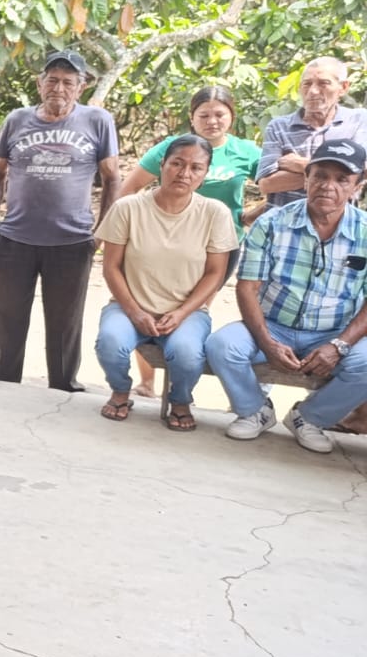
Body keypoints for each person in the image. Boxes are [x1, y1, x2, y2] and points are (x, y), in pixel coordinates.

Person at [206, 138, 367, 454]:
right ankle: (255, 410)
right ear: (306, 178)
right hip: (273, 325)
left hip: (334, 332)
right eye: (320, 175)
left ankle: (309, 418)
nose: (328, 186)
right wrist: (267, 342)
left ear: (357, 186)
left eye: (341, 179)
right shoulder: (271, 222)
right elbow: (247, 287)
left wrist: (339, 345)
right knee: (221, 345)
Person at [0, 49, 121, 391]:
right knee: (8, 318)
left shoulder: (97, 121)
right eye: (52, 80)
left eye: (67, 82)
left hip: (71, 241)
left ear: (81, 87)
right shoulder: (17, 119)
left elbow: (112, 178)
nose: (58, 88)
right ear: (39, 83)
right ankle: (4, 382)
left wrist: (100, 232)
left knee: (64, 322)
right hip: (14, 240)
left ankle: (63, 386)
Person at [117, 86, 264, 397]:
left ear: (232, 116)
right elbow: (128, 188)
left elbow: (278, 188)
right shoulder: (171, 148)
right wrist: (129, 228)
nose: (212, 121)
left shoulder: (246, 151)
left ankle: (179, 386)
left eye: (219, 114)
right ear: (191, 117)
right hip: (159, 242)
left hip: (219, 248)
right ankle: (147, 382)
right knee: (147, 304)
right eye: (204, 115)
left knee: (190, 313)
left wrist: (248, 216)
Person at [93, 135, 239, 430]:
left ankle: (180, 400)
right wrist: (135, 311)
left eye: (196, 168)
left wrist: (182, 313)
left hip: (187, 312)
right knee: (110, 342)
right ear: (162, 165)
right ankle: (120, 390)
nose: (185, 173)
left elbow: (215, 273)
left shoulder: (215, 213)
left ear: (205, 174)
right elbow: (111, 267)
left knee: (186, 354)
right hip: (129, 306)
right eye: (177, 163)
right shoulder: (128, 208)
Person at [256, 57, 367, 209]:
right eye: (307, 84)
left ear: (343, 87)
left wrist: (303, 165)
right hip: (285, 221)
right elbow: (267, 184)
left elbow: (362, 172)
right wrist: (341, 173)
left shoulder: (358, 120)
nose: (313, 91)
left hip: (339, 221)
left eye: (323, 83)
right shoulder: (279, 127)